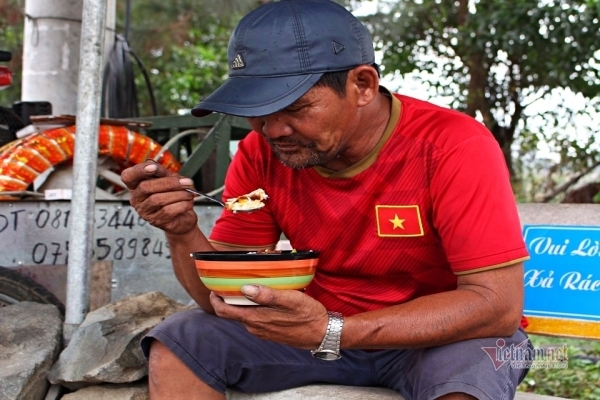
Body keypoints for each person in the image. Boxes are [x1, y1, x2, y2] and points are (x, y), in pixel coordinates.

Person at [121, 0, 532, 399]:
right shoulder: (261, 151)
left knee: (478, 366)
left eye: (296, 107)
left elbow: (496, 305)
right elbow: (225, 299)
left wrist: (334, 330)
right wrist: (181, 231)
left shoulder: (451, 146)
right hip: (309, 334)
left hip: (434, 340)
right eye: (257, 111)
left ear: (363, 85)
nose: (274, 129)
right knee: (183, 340)